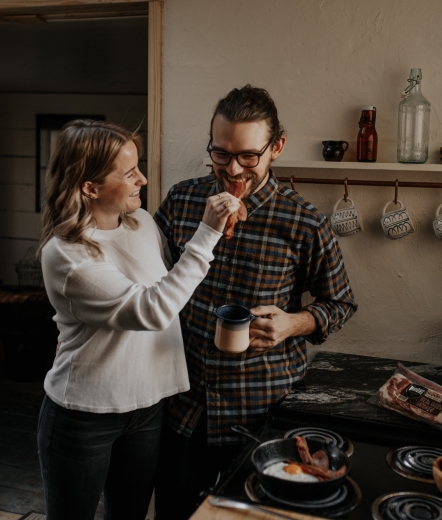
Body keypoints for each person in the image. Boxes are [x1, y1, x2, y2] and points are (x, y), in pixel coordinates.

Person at [154, 85, 358, 519]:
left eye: (248, 155)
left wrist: (294, 323)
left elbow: (339, 302)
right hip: (181, 404)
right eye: (220, 153)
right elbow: (148, 287)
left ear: (276, 147)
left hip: (259, 415)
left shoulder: (304, 222)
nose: (232, 168)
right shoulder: (182, 200)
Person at [36, 119, 240, 520]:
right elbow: (153, 309)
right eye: (129, 173)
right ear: (89, 186)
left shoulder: (143, 223)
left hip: (148, 405)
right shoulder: (67, 255)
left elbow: (174, 287)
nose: (142, 179)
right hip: (85, 414)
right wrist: (207, 233)